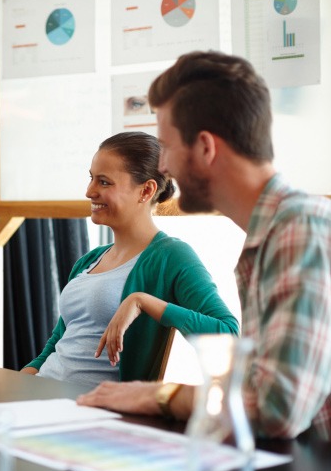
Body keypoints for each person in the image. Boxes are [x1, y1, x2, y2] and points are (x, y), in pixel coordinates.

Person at [78, 51, 331, 439]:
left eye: (166, 146)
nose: (162, 167)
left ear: (206, 148)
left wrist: (157, 396)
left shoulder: (300, 229)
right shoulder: (273, 234)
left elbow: (275, 407)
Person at [22, 132, 238, 386]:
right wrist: (20, 380)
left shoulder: (172, 256)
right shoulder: (90, 260)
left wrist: (142, 301)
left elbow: (228, 335)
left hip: (94, 409)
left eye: (104, 182)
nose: (89, 191)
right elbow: (62, 338)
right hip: (45, 393)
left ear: (146, 190)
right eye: (91, 178)